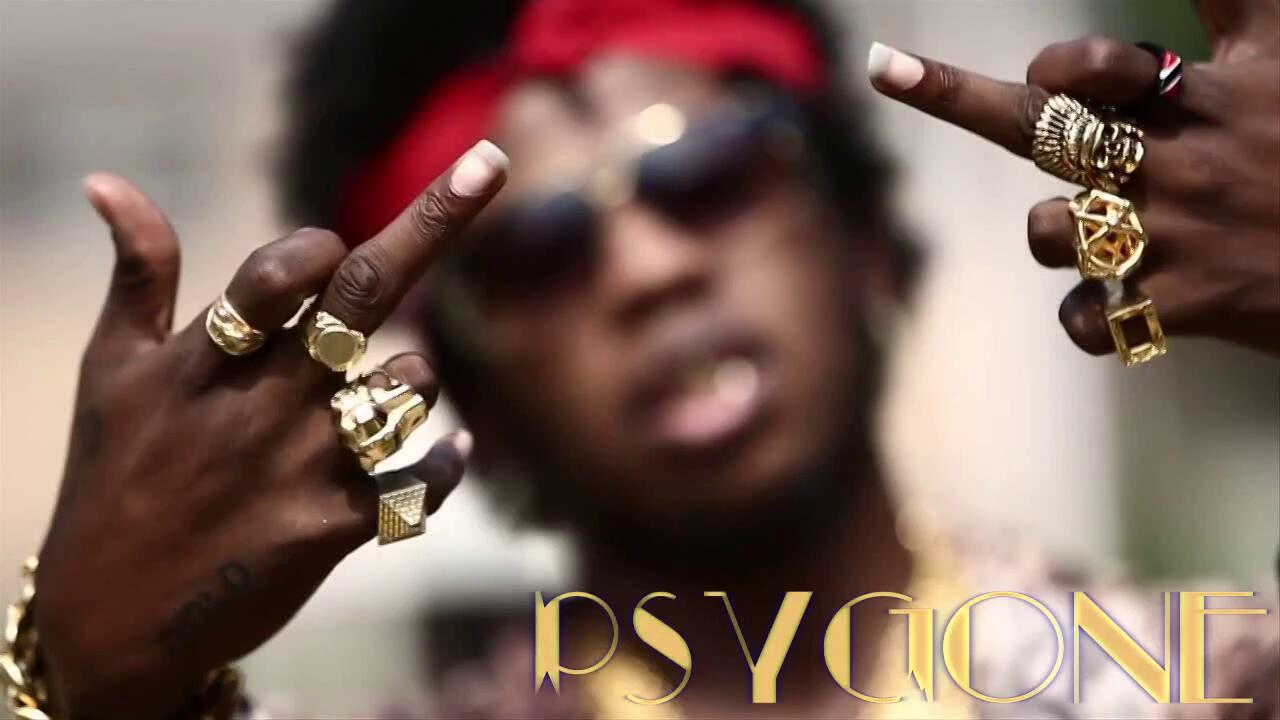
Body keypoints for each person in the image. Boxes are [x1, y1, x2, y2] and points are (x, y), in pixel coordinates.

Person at [4, 0, 1278, 718]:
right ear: (467, 389)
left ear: (860, 246)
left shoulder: (1205, 685)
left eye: (711, 179)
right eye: (537, 251)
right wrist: (93, 688)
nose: (649, 271)